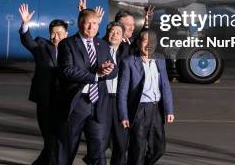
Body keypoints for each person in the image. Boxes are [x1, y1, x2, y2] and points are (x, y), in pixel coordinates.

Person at [52, 8, 117, 165]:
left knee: (99, 152)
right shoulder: (67, 44)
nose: (91, 27)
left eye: (95, 23)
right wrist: (96, 75)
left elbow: (114, 71)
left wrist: (108, 70)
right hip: (76, 103)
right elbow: (67, 70)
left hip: (98, 104)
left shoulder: (102, 44)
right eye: (88, 23)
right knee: (66, 150)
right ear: (80, 23)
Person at [19, 3, 68, 165]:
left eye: (59, 34)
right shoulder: (41, 45)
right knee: (49, 138)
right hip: (45, 101)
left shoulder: (71, 48)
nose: (55, 37)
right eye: (52, 33)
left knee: (57, 140)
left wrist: (84, 15)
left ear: (66, 34)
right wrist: (25, 25)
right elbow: (28, 41)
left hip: (64, 102)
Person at [118, 30, 174, 165]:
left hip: (156, 109)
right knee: (138, 149)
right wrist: (124, 115)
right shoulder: (129, 62)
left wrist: (169, 110)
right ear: (138, 42)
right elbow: (122, 91)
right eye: (145, 41)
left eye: (153, 41)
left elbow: (165, 85)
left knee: (158, 149)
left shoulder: (160, 59)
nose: (149, 44)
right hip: (139, 110)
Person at [103, 22, 129, 165]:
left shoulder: (127, 50)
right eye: (111, 32)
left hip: (120, 101)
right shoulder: (99, 48)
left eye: (118, 33)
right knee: (100, 142)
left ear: (123, 36)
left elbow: (144, 43)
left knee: (121, 143)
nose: (114, 35)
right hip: (103, 99)